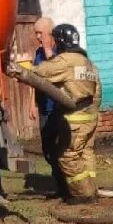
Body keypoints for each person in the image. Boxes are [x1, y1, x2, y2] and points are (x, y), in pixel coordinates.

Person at [14, 23, 101, 204]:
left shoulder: (66, 61)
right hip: (90, 116)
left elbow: (40, 72)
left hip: (75, 118)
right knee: (85, 153)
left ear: (60, 41)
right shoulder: (88, 63)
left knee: (67, 155)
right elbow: (98, 92)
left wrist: (17, 67)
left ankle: (83, 194)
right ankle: (92, 188)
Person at [31, 16, 68, 199]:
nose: (38, 37)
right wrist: (32, 104)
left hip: (58, 108)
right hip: (44, 107)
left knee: (59, 147)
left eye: (40, 33)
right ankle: (59, 183)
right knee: (47, 149)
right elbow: (34, 79)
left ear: (49, 32)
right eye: (36, 33)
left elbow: (55, 70)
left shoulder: (60, 52)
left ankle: (65, 187)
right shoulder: (38, 53)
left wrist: (47, 48)